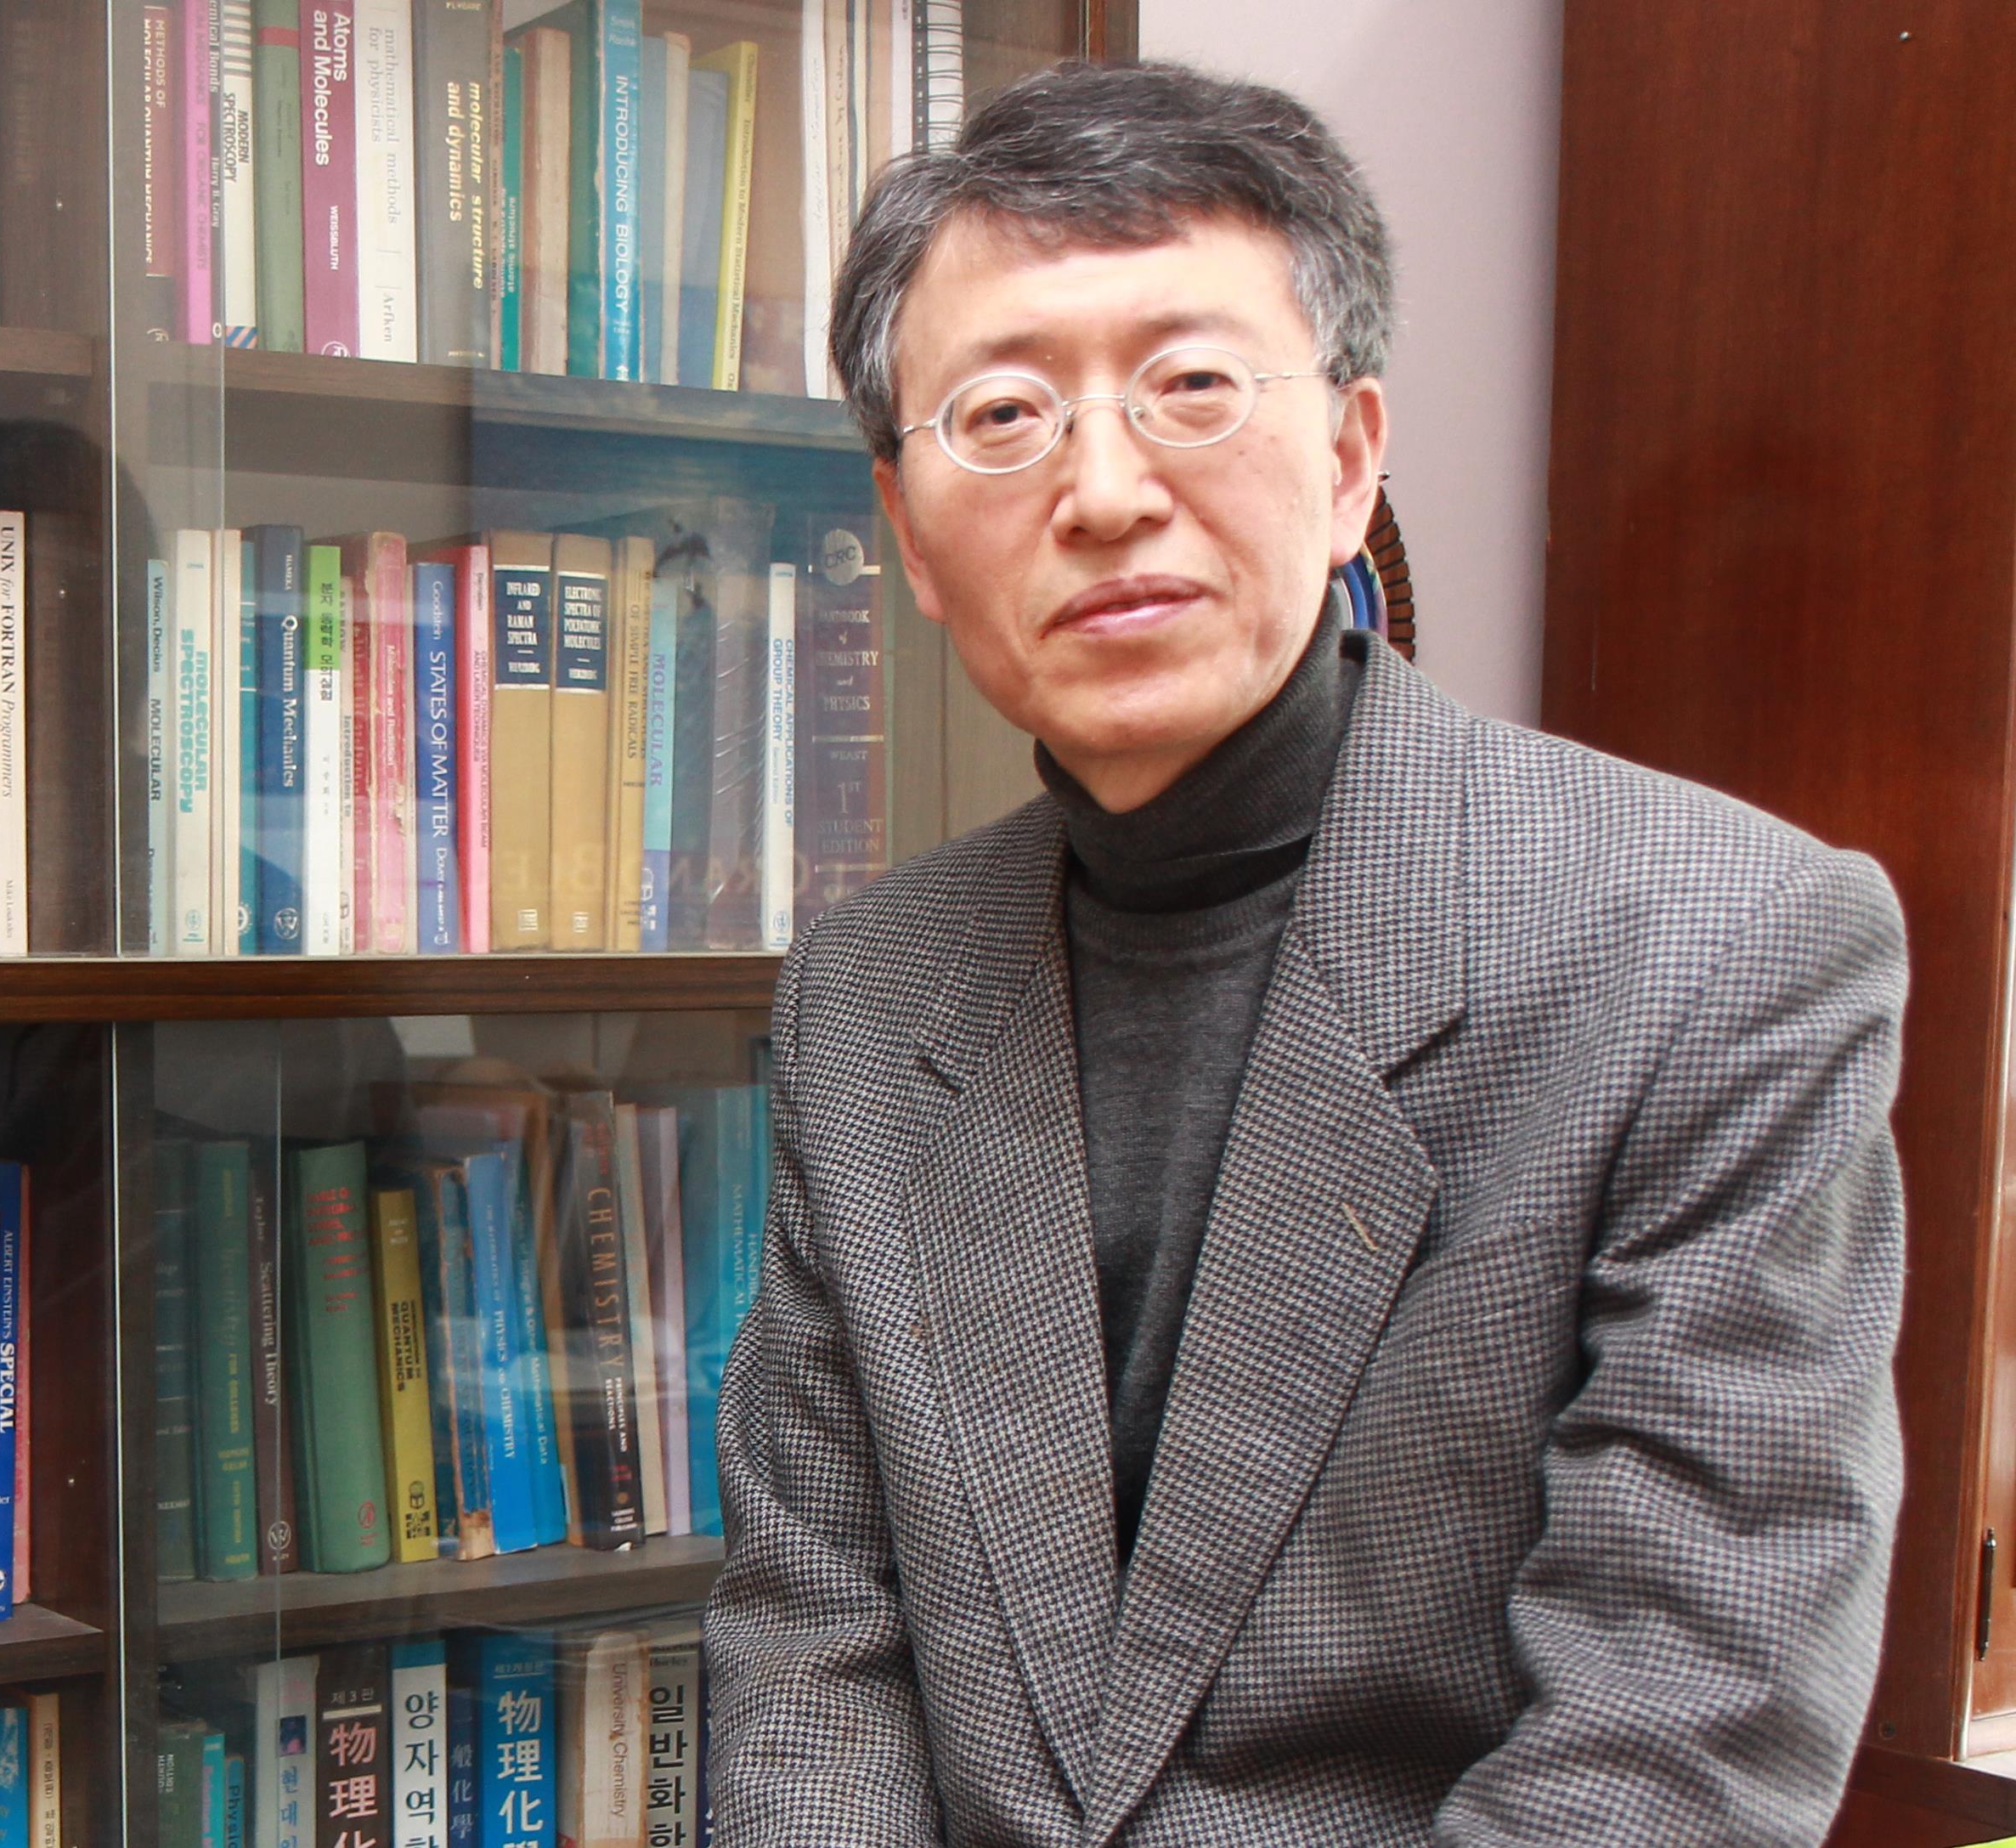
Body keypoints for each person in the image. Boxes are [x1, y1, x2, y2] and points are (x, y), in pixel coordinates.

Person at [703, 59, 1906, 1847]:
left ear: (1348, 461)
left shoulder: (1721, 949)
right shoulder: (873, 990)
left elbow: (1674, 1740)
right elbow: (814, 1647)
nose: (1102, 489)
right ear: (912, 540)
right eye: (1003, 412)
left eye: (1189, 385)